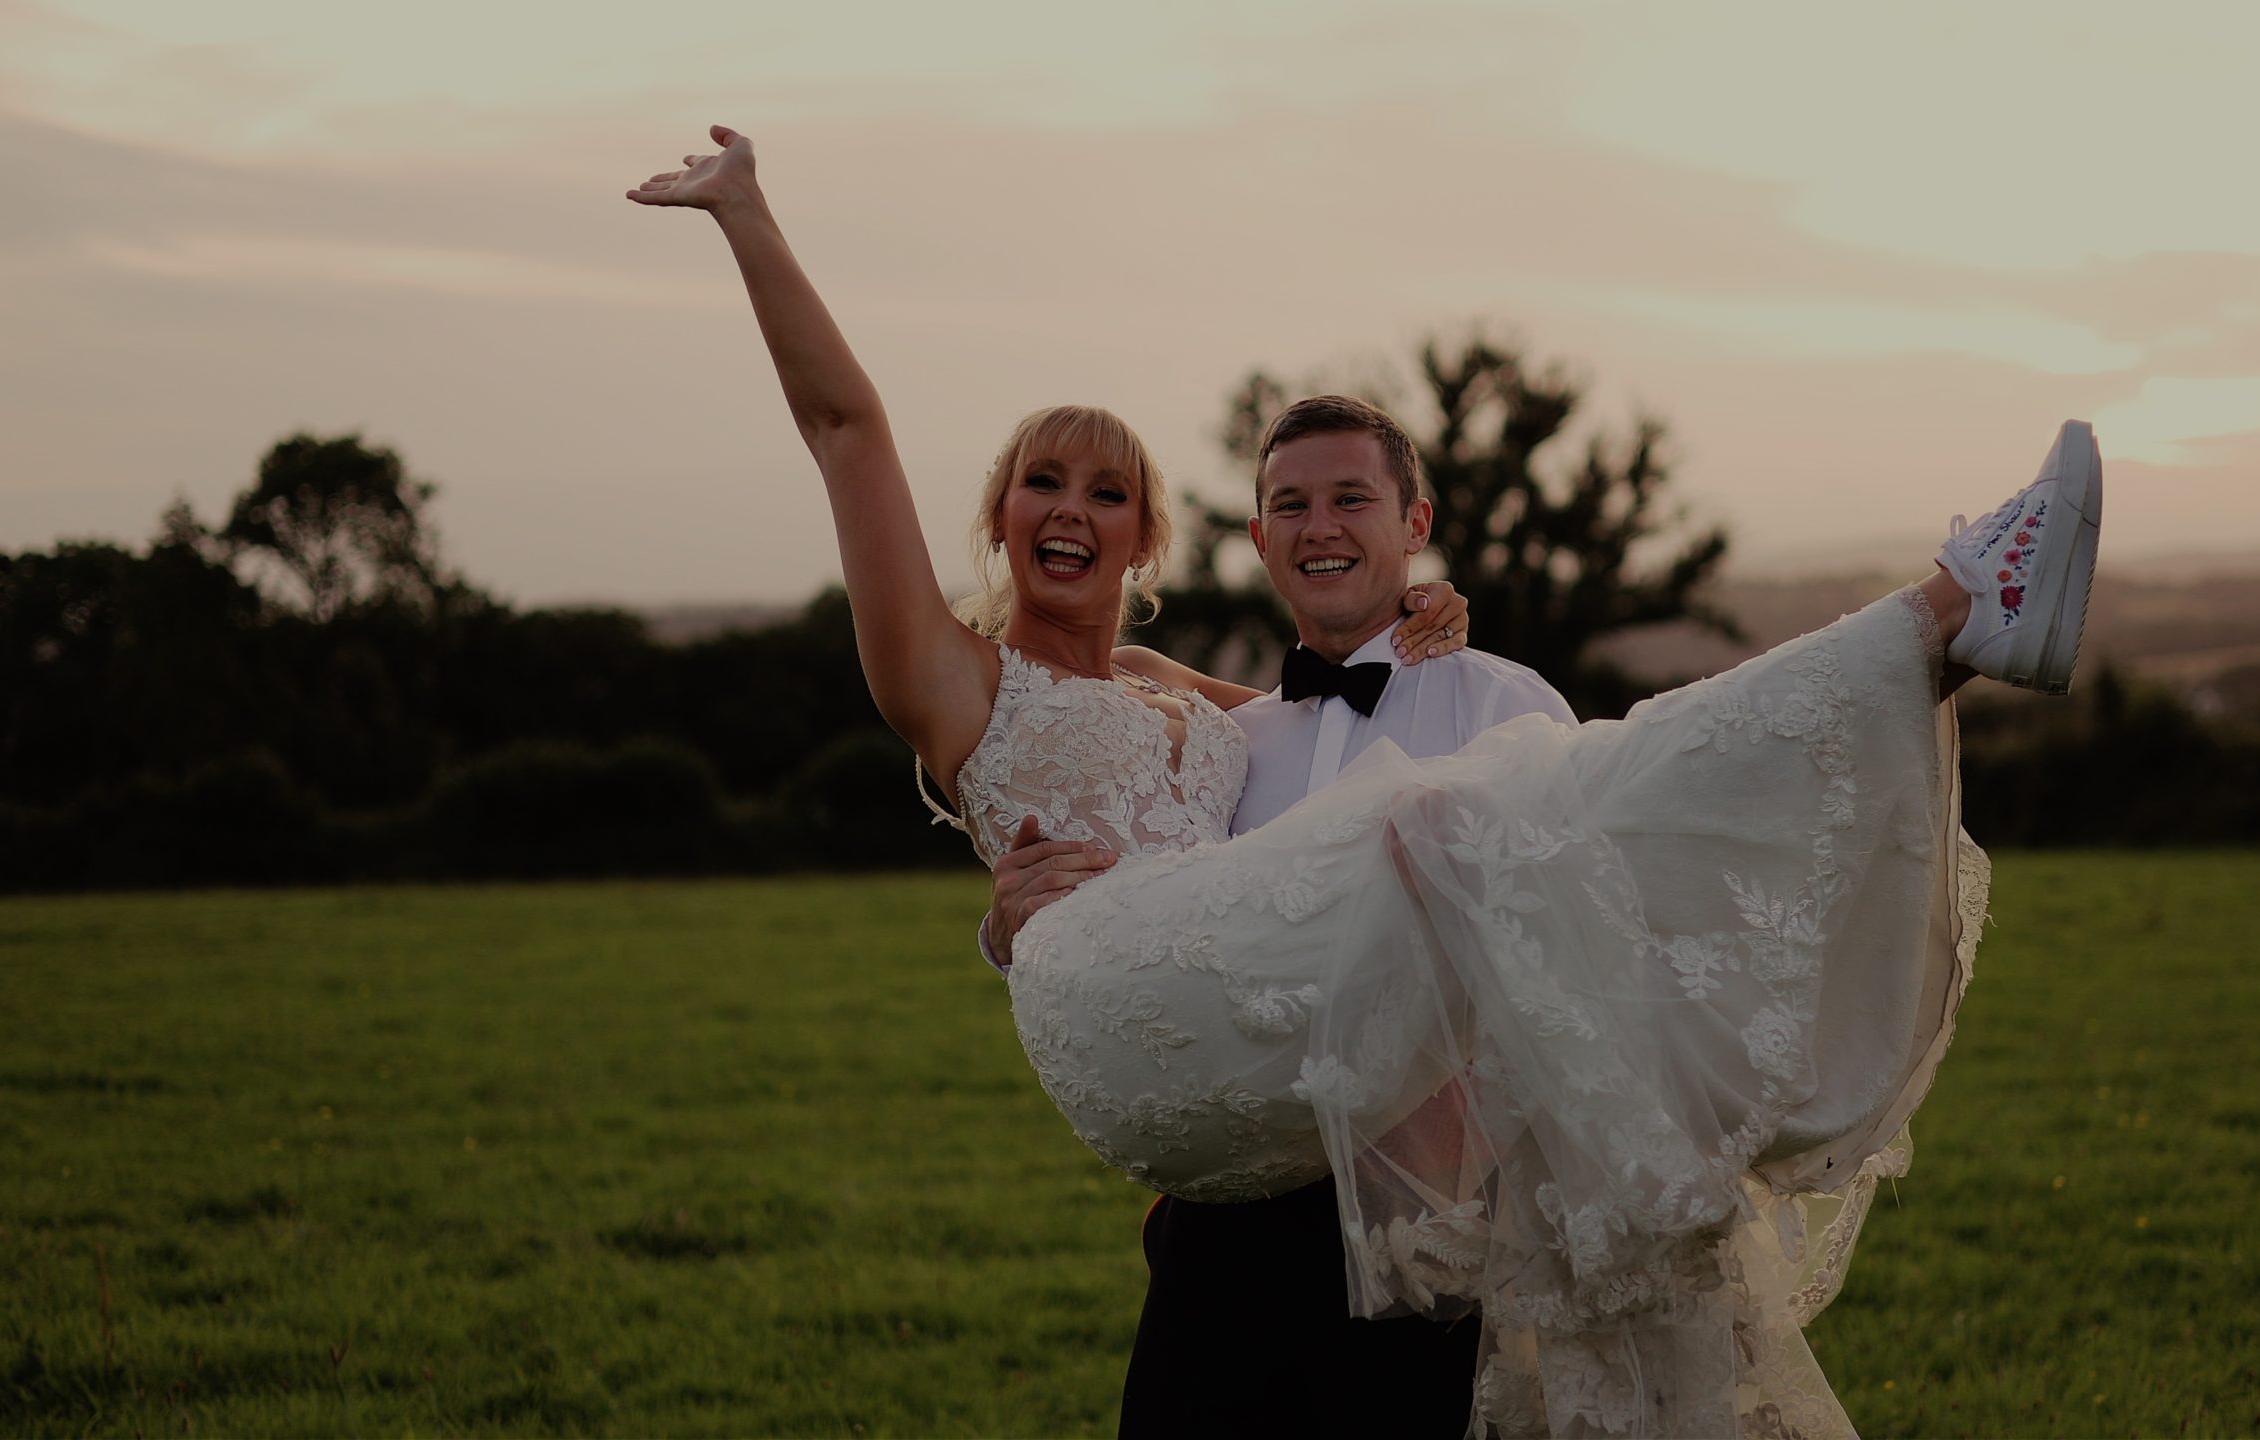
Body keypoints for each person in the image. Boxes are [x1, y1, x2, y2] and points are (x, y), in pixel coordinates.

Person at [629, 128, 2099, 1440]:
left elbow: (1327, 719)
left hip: (1364, 1186)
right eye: (1042, 482)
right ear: (1002, 517)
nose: (1070, 508)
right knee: (1465, 814)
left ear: (1149, 544)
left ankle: (1929, 648)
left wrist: (1427, 624)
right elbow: (846, 429)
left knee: (1515, 797)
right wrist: (747, 212)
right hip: (1147, 1054)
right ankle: (1939, 617)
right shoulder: (953, 678)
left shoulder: (1216, 710)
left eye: (1107, 489)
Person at [980, 393, 1576, 1440]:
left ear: (1415, 525)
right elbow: (1144, 914)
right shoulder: (1235, 743)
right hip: (1223, 1235)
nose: (1322, 527)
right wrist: (1008, 929)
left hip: (1425, 1234)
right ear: (1260, 537)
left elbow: (1575, 953)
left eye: (1353, 499)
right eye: (1291, 506)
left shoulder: (1504, 707)